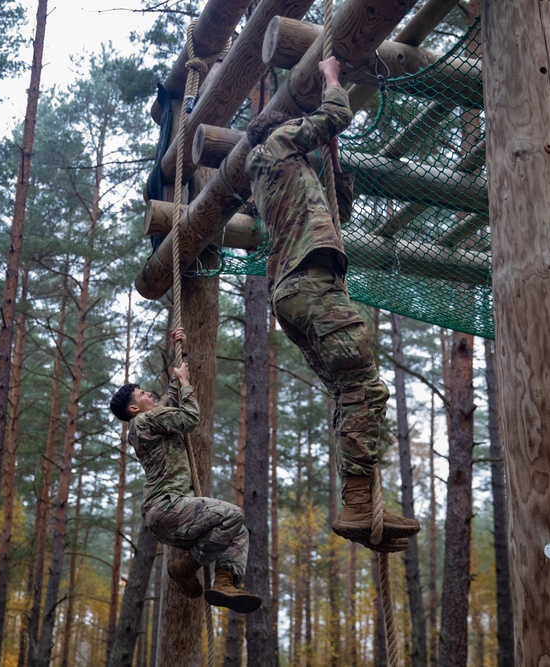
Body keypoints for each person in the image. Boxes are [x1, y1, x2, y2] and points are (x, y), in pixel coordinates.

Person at [245, 57, 421, 553]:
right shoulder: (275, 146)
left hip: (293, 293)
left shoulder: (275, 181)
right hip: (309, 283)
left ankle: (360, 510)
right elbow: (333, 116)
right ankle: (360, 501)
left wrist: (336, 173)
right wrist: (330, 79)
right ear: (282, 133)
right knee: (365, 386)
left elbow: (335, 215)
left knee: (349, 391)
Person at [110, 328, 261, 613]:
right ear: (133, 408)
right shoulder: (143, 423)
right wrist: (186, 382)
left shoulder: (149, 421)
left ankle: (225, 581)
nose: (149, 393)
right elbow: (189, 417)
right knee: (232, 514)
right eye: (142, 394)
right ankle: (186, 567)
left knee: (239, 531)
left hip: (173, 514)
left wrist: (179, 350)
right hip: (167, 508)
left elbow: (169, 396)